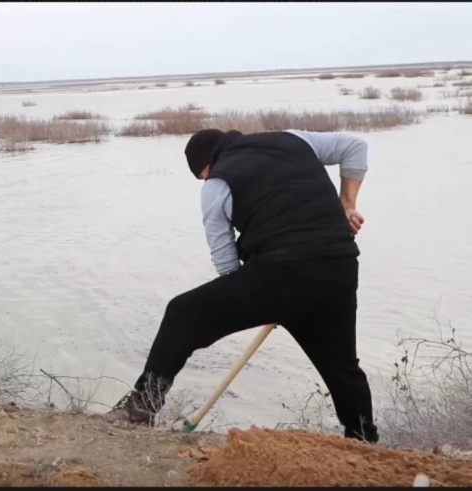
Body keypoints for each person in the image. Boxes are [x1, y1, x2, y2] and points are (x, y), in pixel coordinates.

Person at [106, 127, 379, 444]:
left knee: (182, 313)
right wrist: (347, 204)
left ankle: (140, 409)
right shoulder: (292, 138)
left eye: (202, 176)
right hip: (340, 266)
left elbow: (226, 265)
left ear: (204, 168)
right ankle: (363, 441)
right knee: (343, 367)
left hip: (282, 273)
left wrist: (260, 297)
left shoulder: (216, 184)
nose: (205, 180)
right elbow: (354, 147)